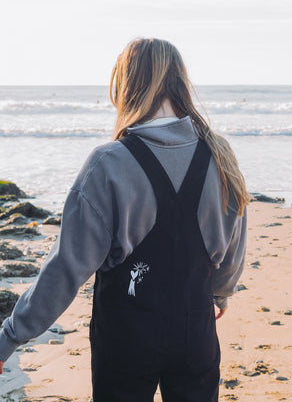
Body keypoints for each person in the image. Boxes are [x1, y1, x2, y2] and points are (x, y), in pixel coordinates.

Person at [0, 37, 249, 401]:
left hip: (126, 340)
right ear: (180, 82)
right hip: (195, 333)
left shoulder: (108, 163)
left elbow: (66, 268)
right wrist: (221, 292)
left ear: (127, 86)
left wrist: (11, 335)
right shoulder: (220, 156)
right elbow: (232, 247)